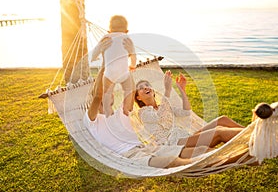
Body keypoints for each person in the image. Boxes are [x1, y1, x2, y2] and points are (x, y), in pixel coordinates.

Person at [84, 38, 250, 169]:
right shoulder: (92, 120)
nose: (108, 94)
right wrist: (106, 62)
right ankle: (250, 150)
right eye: (141, 89)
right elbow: (99, 95)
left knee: (205, 149)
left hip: (153, 147)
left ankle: (254, 141)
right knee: (176, 160)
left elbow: (184, 112)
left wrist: (129, 57)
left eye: (111, 93)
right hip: (137, 154)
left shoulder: (122, 113)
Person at [134, 71, 245, 149]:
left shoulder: (164, 106)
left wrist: (182, 90)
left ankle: (253, 131)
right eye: (140, 88)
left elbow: (186, 112)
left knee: (222, 120)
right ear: (138, 97)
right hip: (173, 144)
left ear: (153, 91)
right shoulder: (143, 113)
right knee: (218, 131)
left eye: (147, 85)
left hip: (184, 136)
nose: (145, 87)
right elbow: (160, 116)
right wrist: (167, 90)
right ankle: (254, 137)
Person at [95, 15, 136, 117]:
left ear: (109, 30)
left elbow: (96, 51)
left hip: (109, 73)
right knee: (129, 90)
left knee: (107, 93)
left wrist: (95, 56)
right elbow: (133, 54)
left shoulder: (106, 38)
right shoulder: (127, 38)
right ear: (126, 31)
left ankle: (108, 110)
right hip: (124, 72)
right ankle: (126, 109)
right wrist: (133, 65)